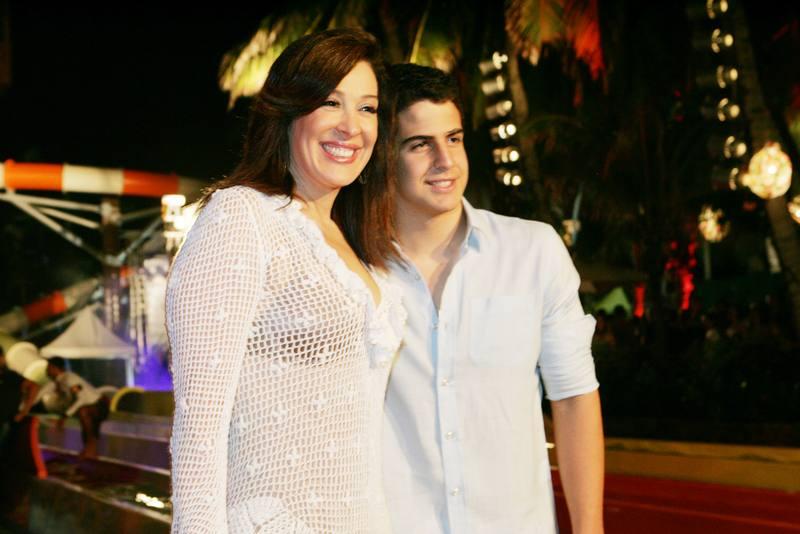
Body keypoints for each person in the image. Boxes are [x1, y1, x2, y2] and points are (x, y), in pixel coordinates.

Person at [166, 29, 405, 534]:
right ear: (288, 111)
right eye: (330, 102)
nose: (351, 126)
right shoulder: (242, 217)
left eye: (367, 108)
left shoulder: (360, 243)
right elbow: (199, 426)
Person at [382, 64, 604, 534]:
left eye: (454, 138)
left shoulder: (533, 251)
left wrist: (589, 529)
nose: (445, 160)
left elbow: (574, 398)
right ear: (384, 156)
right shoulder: (353, 270)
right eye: (420, 144)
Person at [15, 356, 109, 459]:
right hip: (86, 407)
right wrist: (22, 409)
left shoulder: (69, 378)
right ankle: (89, 449)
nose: (46, 371)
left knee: (84, 412)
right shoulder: (54, 383)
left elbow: (82, 398)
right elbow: (37, 396)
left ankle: (90, 448)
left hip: (100, 404)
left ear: (54, 368)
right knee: (82, 412)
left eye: (48, 367)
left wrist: (65, 416)